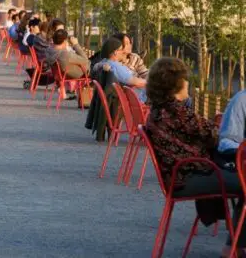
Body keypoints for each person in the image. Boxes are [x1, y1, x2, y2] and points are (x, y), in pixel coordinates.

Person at [144, 57, 246, 256]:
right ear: (175, 84)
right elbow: (215, 136)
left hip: (179, 176)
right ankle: (233, 248)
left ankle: (235, 245)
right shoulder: (178, 112)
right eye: (185, 79)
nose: (188, 83)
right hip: (189, 177)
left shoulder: (161, 110)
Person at [99, 37, 147, 103]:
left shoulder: (104, 63)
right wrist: (152, 82)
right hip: (137, 101)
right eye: (121, 49)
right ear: (115, 52)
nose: (123, 52)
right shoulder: (115, 67)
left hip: (129, 98)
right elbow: (135, 81)